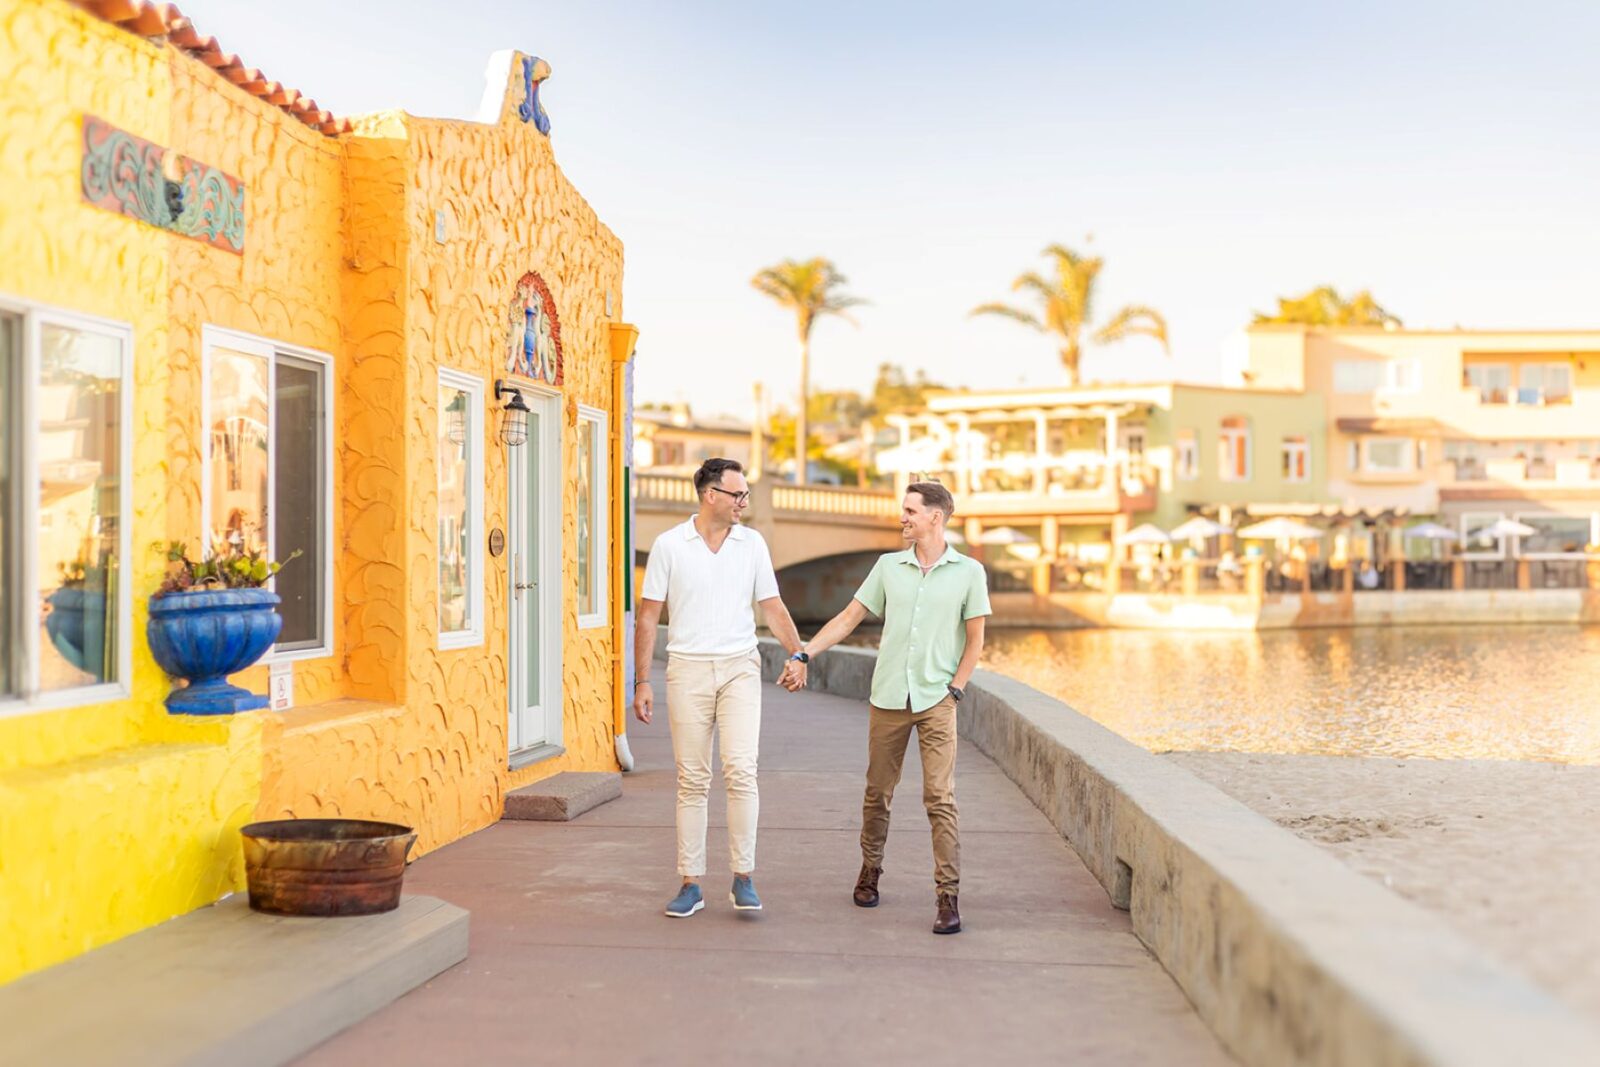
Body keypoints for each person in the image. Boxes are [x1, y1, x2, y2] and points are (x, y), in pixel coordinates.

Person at [784, 481, 990, 934]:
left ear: (935, 517)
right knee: (878, 793)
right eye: (904, 510)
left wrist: (955, 689)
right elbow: (848, 618)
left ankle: (947, 896)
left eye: (911, 511)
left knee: (940, 798)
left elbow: (975, 640)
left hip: (937, 699)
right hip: (889, 696)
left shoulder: (969, 572)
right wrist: (805, 654)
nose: (903, 517)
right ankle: (870, 870)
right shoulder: (887, 567)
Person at [633, 459, 807, 919]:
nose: (744, 503)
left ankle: (743, 877)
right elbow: (649, 615)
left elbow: (771, 604)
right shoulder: (670, 545)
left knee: (740, 770)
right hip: (686, 669)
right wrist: (642, 680)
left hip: (739, 669)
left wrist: (798, 653)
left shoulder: (753, 544)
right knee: (692, 779)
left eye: (746, 495)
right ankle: (690, 883)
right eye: (738, 495)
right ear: (711, 494)